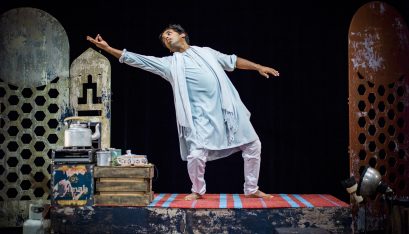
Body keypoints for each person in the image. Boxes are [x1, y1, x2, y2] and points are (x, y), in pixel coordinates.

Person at [87, 24, 279, 200]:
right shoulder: (170, 64)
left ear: (183, 35)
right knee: (196, 155)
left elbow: (233, 61)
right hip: (200, 117)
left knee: (253, 145)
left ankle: (252, 189)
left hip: (227, 111)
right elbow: (139, 60)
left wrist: (258, 67)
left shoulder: (207, 52)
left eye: (169, 33)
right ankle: (197, 190)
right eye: (164, 39)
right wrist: (108, 48)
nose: (166, 38)